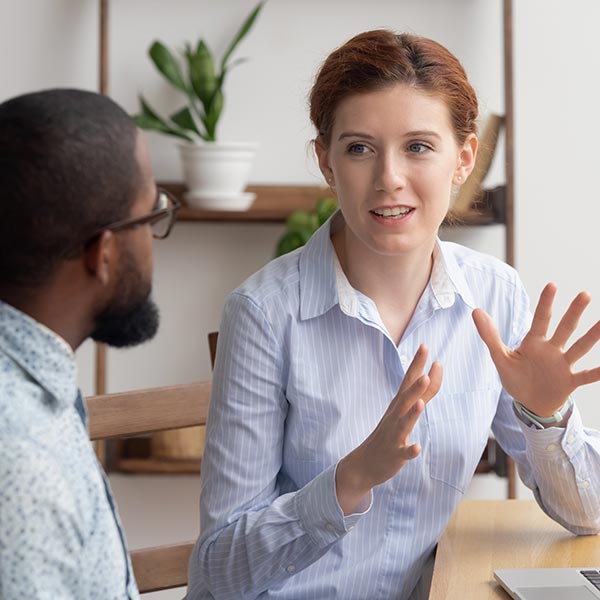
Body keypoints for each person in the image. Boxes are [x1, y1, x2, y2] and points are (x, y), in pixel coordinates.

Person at [186, 30, 600, 600]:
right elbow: (218, 570)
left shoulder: (495, 295)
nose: (389, 178)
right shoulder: (263, 313)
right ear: (325, 162)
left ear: (464, 159)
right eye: (359, 148)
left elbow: (589, 518)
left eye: (419, 147)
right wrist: (351, 479)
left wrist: (546, 418)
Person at [0, 89, 180, 598]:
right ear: (103, 253)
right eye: (151, 216)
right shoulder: (23, 470)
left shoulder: (38, 395)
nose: (154, 238)